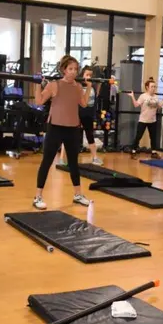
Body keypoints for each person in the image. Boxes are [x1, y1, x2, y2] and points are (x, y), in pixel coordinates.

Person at [32, 55, 92, 210]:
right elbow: (39, 101)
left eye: (75, 69)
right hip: (55, 127)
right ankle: (38, 196)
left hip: (72, 128)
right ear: (64, 70)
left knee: (73, 163)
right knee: (47, 161)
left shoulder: (78, 87)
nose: (73, 72)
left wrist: (89, 87)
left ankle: (78, 194)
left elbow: (84, 104)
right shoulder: (54, 85)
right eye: (70, 69)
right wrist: (37, 85)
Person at [57, 66, 103, 166]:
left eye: (90, 75)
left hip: (88, 115)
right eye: (87, 74)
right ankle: (61, 159)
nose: (89, 77)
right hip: (77, 113)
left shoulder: (93, 87)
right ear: (82, 75)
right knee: (68, 136)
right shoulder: (77, 86)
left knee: (90, 136)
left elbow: (96, 96)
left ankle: (95, 158)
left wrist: (97, 82)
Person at [128, 77, 163, 157]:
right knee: (138, 136)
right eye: (152, 86)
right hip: (143, 120)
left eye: (154, 87)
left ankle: (153, 152)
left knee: (153, 137)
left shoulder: (156, 97)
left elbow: (158, 107)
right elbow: (136, 105)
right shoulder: (143, 96)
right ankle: (133, 151)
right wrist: (132, 96)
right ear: (147, 87)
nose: (154, 88)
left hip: (152, 120)